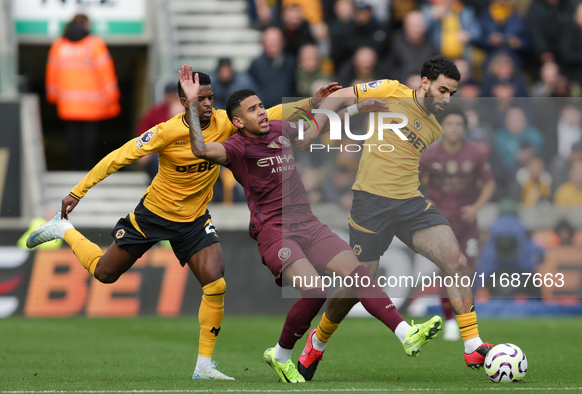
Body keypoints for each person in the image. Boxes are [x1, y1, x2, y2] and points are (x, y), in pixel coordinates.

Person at [25, 65, 339, 381]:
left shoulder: (225, 124)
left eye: (210, 98)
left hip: (194, 221)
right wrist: (78, 192)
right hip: (153, 216)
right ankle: (63, 229)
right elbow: (118, 156)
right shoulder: (166, 132)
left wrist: (311, 102)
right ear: (183, 100)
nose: (207, 104)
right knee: (105, 273)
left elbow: (270, 112)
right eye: (199, 99)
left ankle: (204, 366)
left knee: (215, 282)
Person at [181, 68, 443, 383]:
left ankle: (405, 333)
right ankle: (281, 353)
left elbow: (309, 134)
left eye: (261, 105)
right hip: (274, 231)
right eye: (252, 110)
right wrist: (192, 107)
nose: (262, 112)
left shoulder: (280, 128)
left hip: (308, 223)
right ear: (238, 122)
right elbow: (200, 149)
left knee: (359, 274)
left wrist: (357, 108)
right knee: (315, 291)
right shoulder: (236, 148)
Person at [302, 56, 493, 377]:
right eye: (443, 90)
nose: (446, 99)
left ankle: (472, 345)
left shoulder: (434, 129)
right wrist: (314, 128)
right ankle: (316, 342)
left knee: (456, 261)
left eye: (452, 94)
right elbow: (339, 97)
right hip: (370, 204)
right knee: (356, 286)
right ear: (425, 83)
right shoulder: (392, 90)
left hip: (409, 204)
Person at [419, 108, 496, 340]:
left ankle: (465, 320)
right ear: (442, 127)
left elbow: (489, 184)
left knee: (467, 270)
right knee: (448, 270)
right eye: (450, 123)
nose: (454, 128)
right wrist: (425, 201)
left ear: (464, 128)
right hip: (441, 223)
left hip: (467, 223)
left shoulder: (475, 154)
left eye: (459, 124)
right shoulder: (430, 155)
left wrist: (476, 207)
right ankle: (451, 320)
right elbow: (412, 181)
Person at [46, 13, 120, 171]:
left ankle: (74, 168)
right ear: (86, 25)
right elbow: (106, 72)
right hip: (93, 104)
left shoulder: (58, 45)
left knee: (72, 138)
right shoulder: (95, 44)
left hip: (68, 104)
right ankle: (88, 171)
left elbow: (52, 74)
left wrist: (52, 96)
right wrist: (112, 97)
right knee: (89, 140)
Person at [135, 82, 184, 180]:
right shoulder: (156, 111)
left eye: (174, 96)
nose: (171, 99)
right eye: (169, 95)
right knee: (156, 159)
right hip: (158, 149)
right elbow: (142, 131)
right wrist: (143, 150)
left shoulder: (185, 110)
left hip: (180, 149)